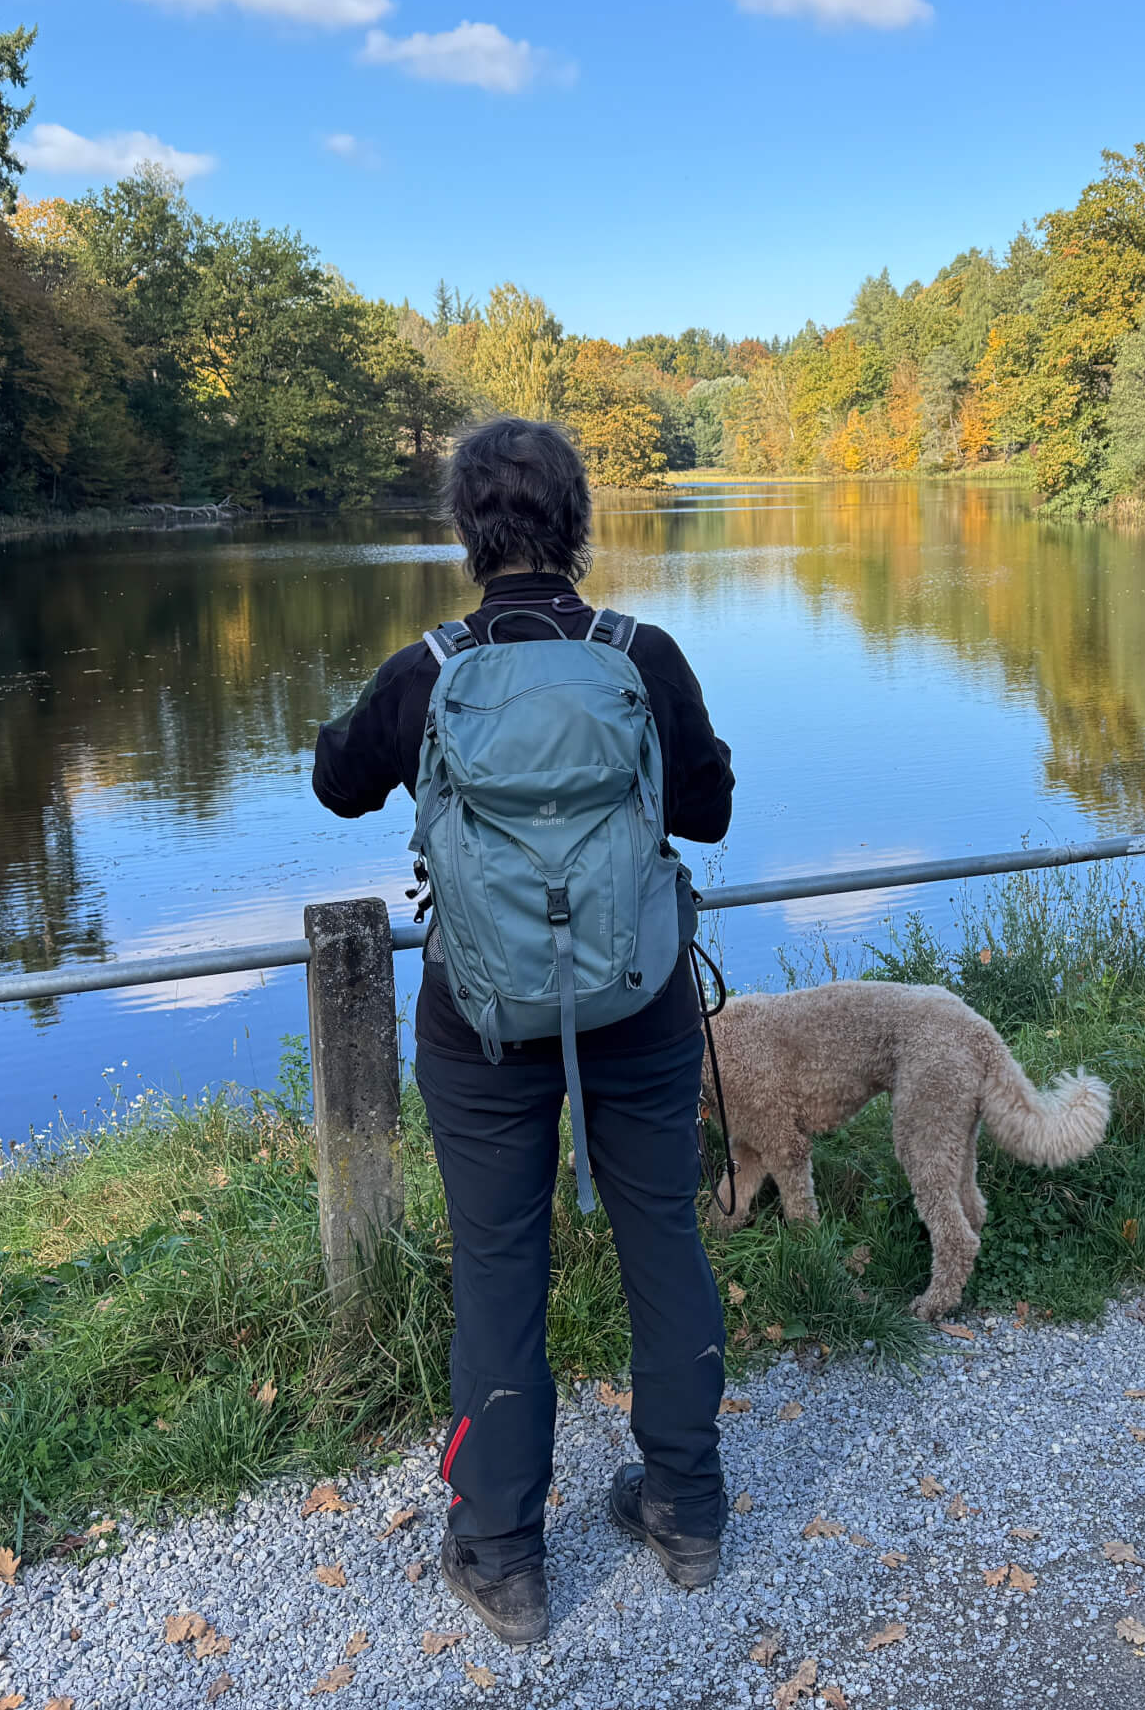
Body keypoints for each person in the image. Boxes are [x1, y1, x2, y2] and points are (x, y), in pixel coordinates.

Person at [311, 418, 736, 1642]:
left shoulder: (428, 669)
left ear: (466, 531)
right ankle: (686, 1509)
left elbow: (338, 782)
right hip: (640, 1004)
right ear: (578, 523)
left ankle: (502, 1554)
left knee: (499, 1264)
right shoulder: (641, 656)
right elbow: (705, 814)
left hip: (481, 1017)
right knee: (664, 1238)